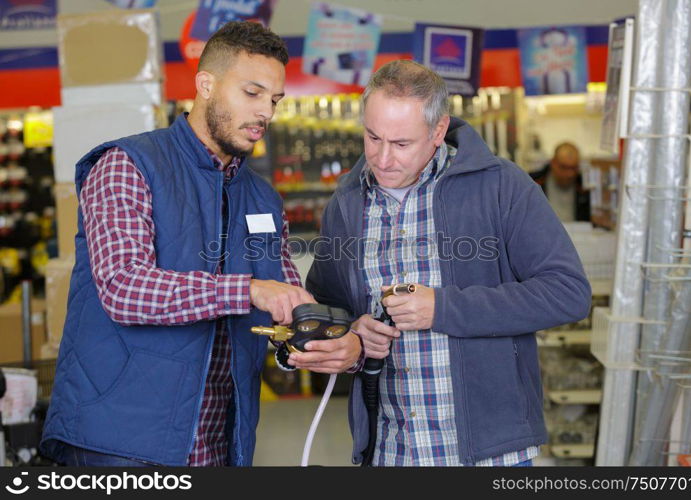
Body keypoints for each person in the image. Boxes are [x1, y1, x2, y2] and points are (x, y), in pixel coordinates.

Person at [40, 21, 359, 467]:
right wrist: (246, 289)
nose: (266, 112)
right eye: (252, 93)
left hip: (220, 443)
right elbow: (124, 289)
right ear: (205, 84)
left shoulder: (262, 196)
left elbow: (282, 307)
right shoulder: (126, 165)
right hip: (120, 442)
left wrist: (314, 345)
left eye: (274, 100)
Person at [297, 60, 591, 466]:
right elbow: (327, 301)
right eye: (372, 137)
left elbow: (568, 293)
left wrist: (443, 308)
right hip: (392, 450)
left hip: (490, 453)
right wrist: (353, 329)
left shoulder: (502, 186)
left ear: (438, 132)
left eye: (401, 144)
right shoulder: (346, 204)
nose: (382, 159)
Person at [530, 142, 590, 222]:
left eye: (574, 168)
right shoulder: (533, 182)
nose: (570, 174)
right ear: (553, 163)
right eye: (564, 167)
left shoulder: (585, 187)